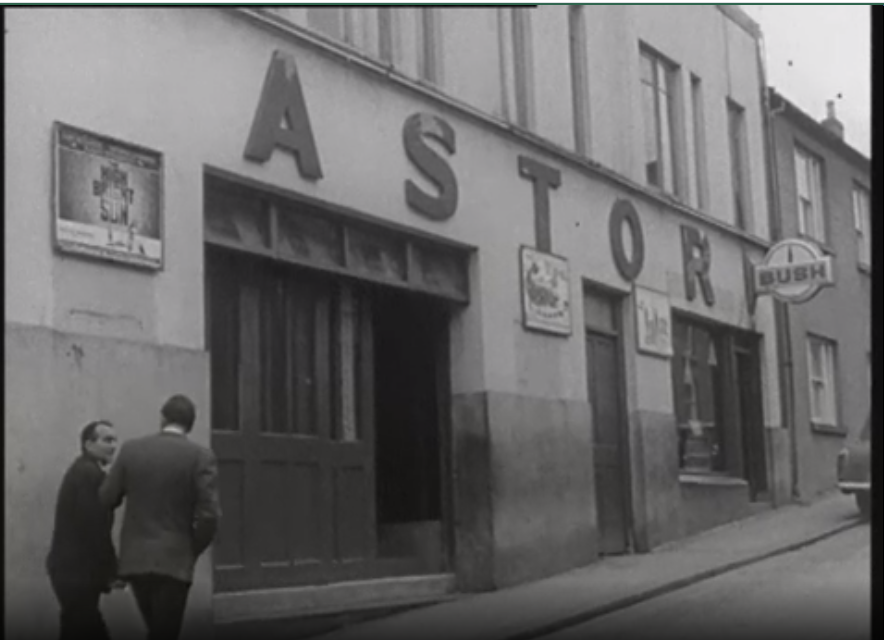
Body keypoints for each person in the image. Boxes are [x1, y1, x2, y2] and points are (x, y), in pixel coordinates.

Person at [99, 395, 220, 640]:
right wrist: (192, 548)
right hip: (175, 559)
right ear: (191, 424)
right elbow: (210, 515)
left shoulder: (132, 449)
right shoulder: (200, 456)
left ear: (162, 418)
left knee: (155, 626)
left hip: (136, 557)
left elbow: (107, 498)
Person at [46, 420, 121, 640]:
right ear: (88, 444)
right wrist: (111, 571)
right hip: (76, 574)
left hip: (70, 571)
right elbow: (95, 529)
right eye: (107, 440)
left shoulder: (83, 471)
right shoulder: (90, 475)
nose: (113, 446)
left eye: (115, 440)